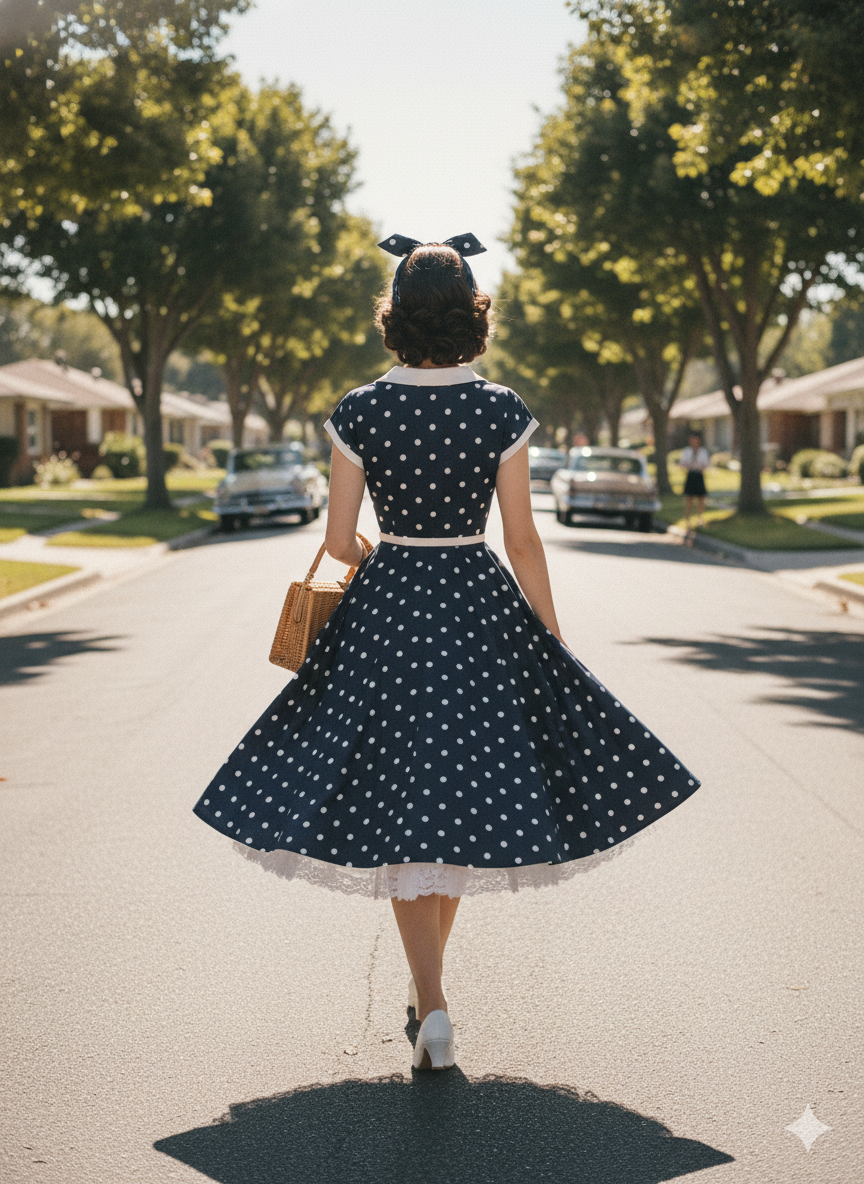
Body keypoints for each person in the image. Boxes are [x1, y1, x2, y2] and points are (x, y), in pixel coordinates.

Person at [192, 234, 701, 1071]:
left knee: (403, 813)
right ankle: (429, 1001)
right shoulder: (499, 409)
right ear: (473, 315)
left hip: (388, 612)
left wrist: (383, 554)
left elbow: (337, 540)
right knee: (454, 807)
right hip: (477, 607)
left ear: (394, 318)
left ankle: (431, 1007)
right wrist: (551, 632)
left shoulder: (359, 410)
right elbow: (525, 539)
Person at [678, 432, 710, 527]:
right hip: (691, 475)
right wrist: (690, 465)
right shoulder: (687, 451)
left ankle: (700, 518)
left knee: (701, 498)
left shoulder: (703, 451)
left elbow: (706, 464)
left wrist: (698, 466)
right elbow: (682, 463)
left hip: (699, 475)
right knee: (689, 498)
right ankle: (688, 517)